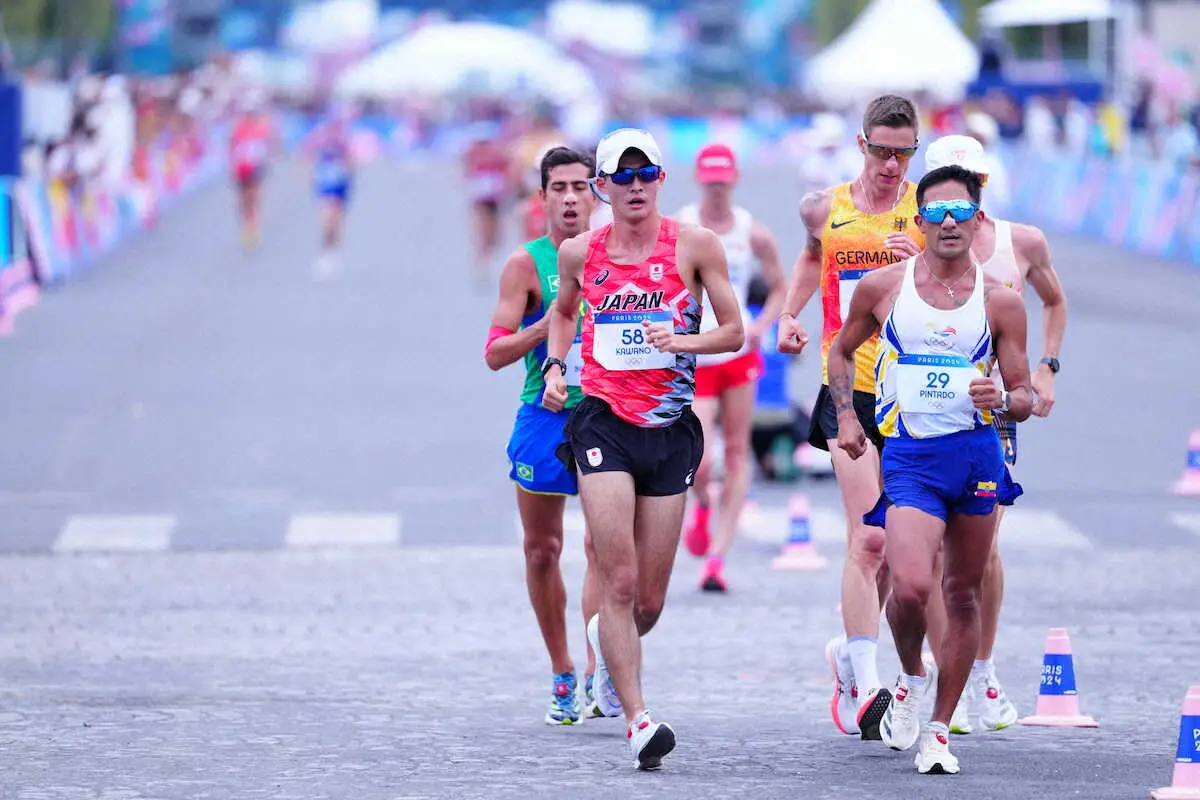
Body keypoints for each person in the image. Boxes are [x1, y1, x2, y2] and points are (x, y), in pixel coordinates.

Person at [541, 128, 744, 770]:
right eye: (621, 177)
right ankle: (638, 720)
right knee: (618, 575)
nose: (634, 187)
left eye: (645, 174)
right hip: (602, 421)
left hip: (669, 426)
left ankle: (611, 655)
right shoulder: (581, 252)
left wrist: (681, 343)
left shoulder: (696, 246)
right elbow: (566, 313)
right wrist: (554, 365)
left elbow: (734, 330)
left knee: (647, 601)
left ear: (661, 179)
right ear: (602, 186)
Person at [828, 164, 1033, 774]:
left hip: (975, 458)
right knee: (911, 586)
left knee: (963, 594)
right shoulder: (885, 289)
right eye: (936, 213)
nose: (948, 224)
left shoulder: (1002, 303)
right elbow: (841, 352)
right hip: (912, 457)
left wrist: (1006, 400)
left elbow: (1023, 393)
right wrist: (845, 419)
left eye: (959, 213)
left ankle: (939, 730)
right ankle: (912, 678)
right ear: (919, 222)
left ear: (977, 219)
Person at [776, 94, 926, 739]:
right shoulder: (824, 208)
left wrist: (915, 263)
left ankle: (846, 652)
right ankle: (867, 685)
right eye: (883, 150)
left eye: (905, 153)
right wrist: (788, 313)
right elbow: (813, 256)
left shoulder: (930, 211)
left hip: (915, 396)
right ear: (861, 145)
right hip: (848, 391)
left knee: (896, 547)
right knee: (867, 538)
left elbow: (965, 283)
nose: (893, 165)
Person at [921, 134, 1068, 735]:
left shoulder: (1020, 241)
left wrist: (1044, 369)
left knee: (979, 555)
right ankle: (936, 670)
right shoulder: (914, 243)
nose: (956, 205)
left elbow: (1056, 304)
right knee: (921, 555)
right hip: (922, 416)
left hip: (992, 413)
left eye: (970, 183)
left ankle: (979, 668)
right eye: (946, 187)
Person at [484, 146, 601, 725]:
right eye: (560, 188)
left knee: (604, 549)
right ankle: (562, 668)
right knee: (542, 549)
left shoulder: (618, 255)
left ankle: (601, 666)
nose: (572, 198)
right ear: (544, 197)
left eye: (581, 186)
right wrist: (547, 325)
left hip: (606, 413)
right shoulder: (525, 265)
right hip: (544, 413)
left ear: (596, 192)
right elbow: (493, 355)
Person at [673, 143, 787, 592]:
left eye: (724, 181)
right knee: (698, 459)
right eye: (711, 181)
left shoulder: (751, 231)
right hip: (695, 352)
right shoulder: (682, 224)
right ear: (700, 180)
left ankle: (717, 559)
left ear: (734, 180)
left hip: (738, 354)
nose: (717, 189)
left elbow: (781, 286)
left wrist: (761, 325)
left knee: (737, 453)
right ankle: (701, 503)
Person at [308, 105, 357, 279]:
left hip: (340, 182)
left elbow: (351, 159)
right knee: (326, 217)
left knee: (336, 218)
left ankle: (333, 252)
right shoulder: (321, 136)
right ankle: (326, 250)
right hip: (324, 181)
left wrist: (347, 172)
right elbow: (308, 153)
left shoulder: (344, 138)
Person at [462, 121, 512, 286]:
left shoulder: (489, 154)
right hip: (483, 195)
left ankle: (486, 261)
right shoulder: (480, 154)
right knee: (485, 230)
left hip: (491, 195)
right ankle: (483, 264)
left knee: (493, 232)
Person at [229, 91, 276, 250]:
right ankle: (247, 224)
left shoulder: (262, 128)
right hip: (242, 168)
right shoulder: (238, 128)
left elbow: (269, 146)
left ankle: (253, 229)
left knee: (254, 197)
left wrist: (268, 161)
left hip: (256, 167)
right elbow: (232, 147)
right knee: (243, 200)